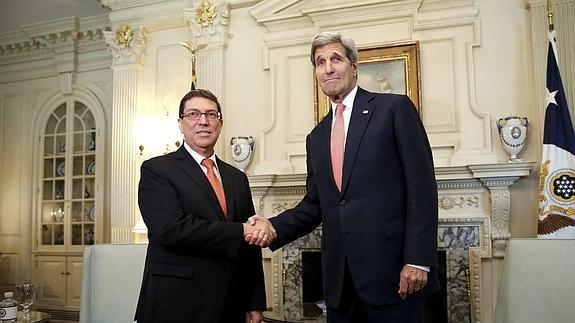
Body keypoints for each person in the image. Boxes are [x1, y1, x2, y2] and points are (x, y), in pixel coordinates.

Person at [247, 32, 439, 323]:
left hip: (393, 276)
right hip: (339, 285)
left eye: (336, 59)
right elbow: (314, 205)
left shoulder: (394, 109)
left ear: (354, 66)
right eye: (320, 62)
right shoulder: (317, 137)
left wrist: (417, 260)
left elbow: (422, 189)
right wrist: (273, 227)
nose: (328, 68)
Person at [135, 89, 275, 323]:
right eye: (193, 114)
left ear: (220, 124)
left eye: (211, 114)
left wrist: (254, 302)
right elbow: (171, 229)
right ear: (180, 123)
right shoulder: (157, 169)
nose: (203, 121)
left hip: (230, 306)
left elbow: (249, 249)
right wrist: (241, 230)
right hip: (176, 304)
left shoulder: (236, 177)